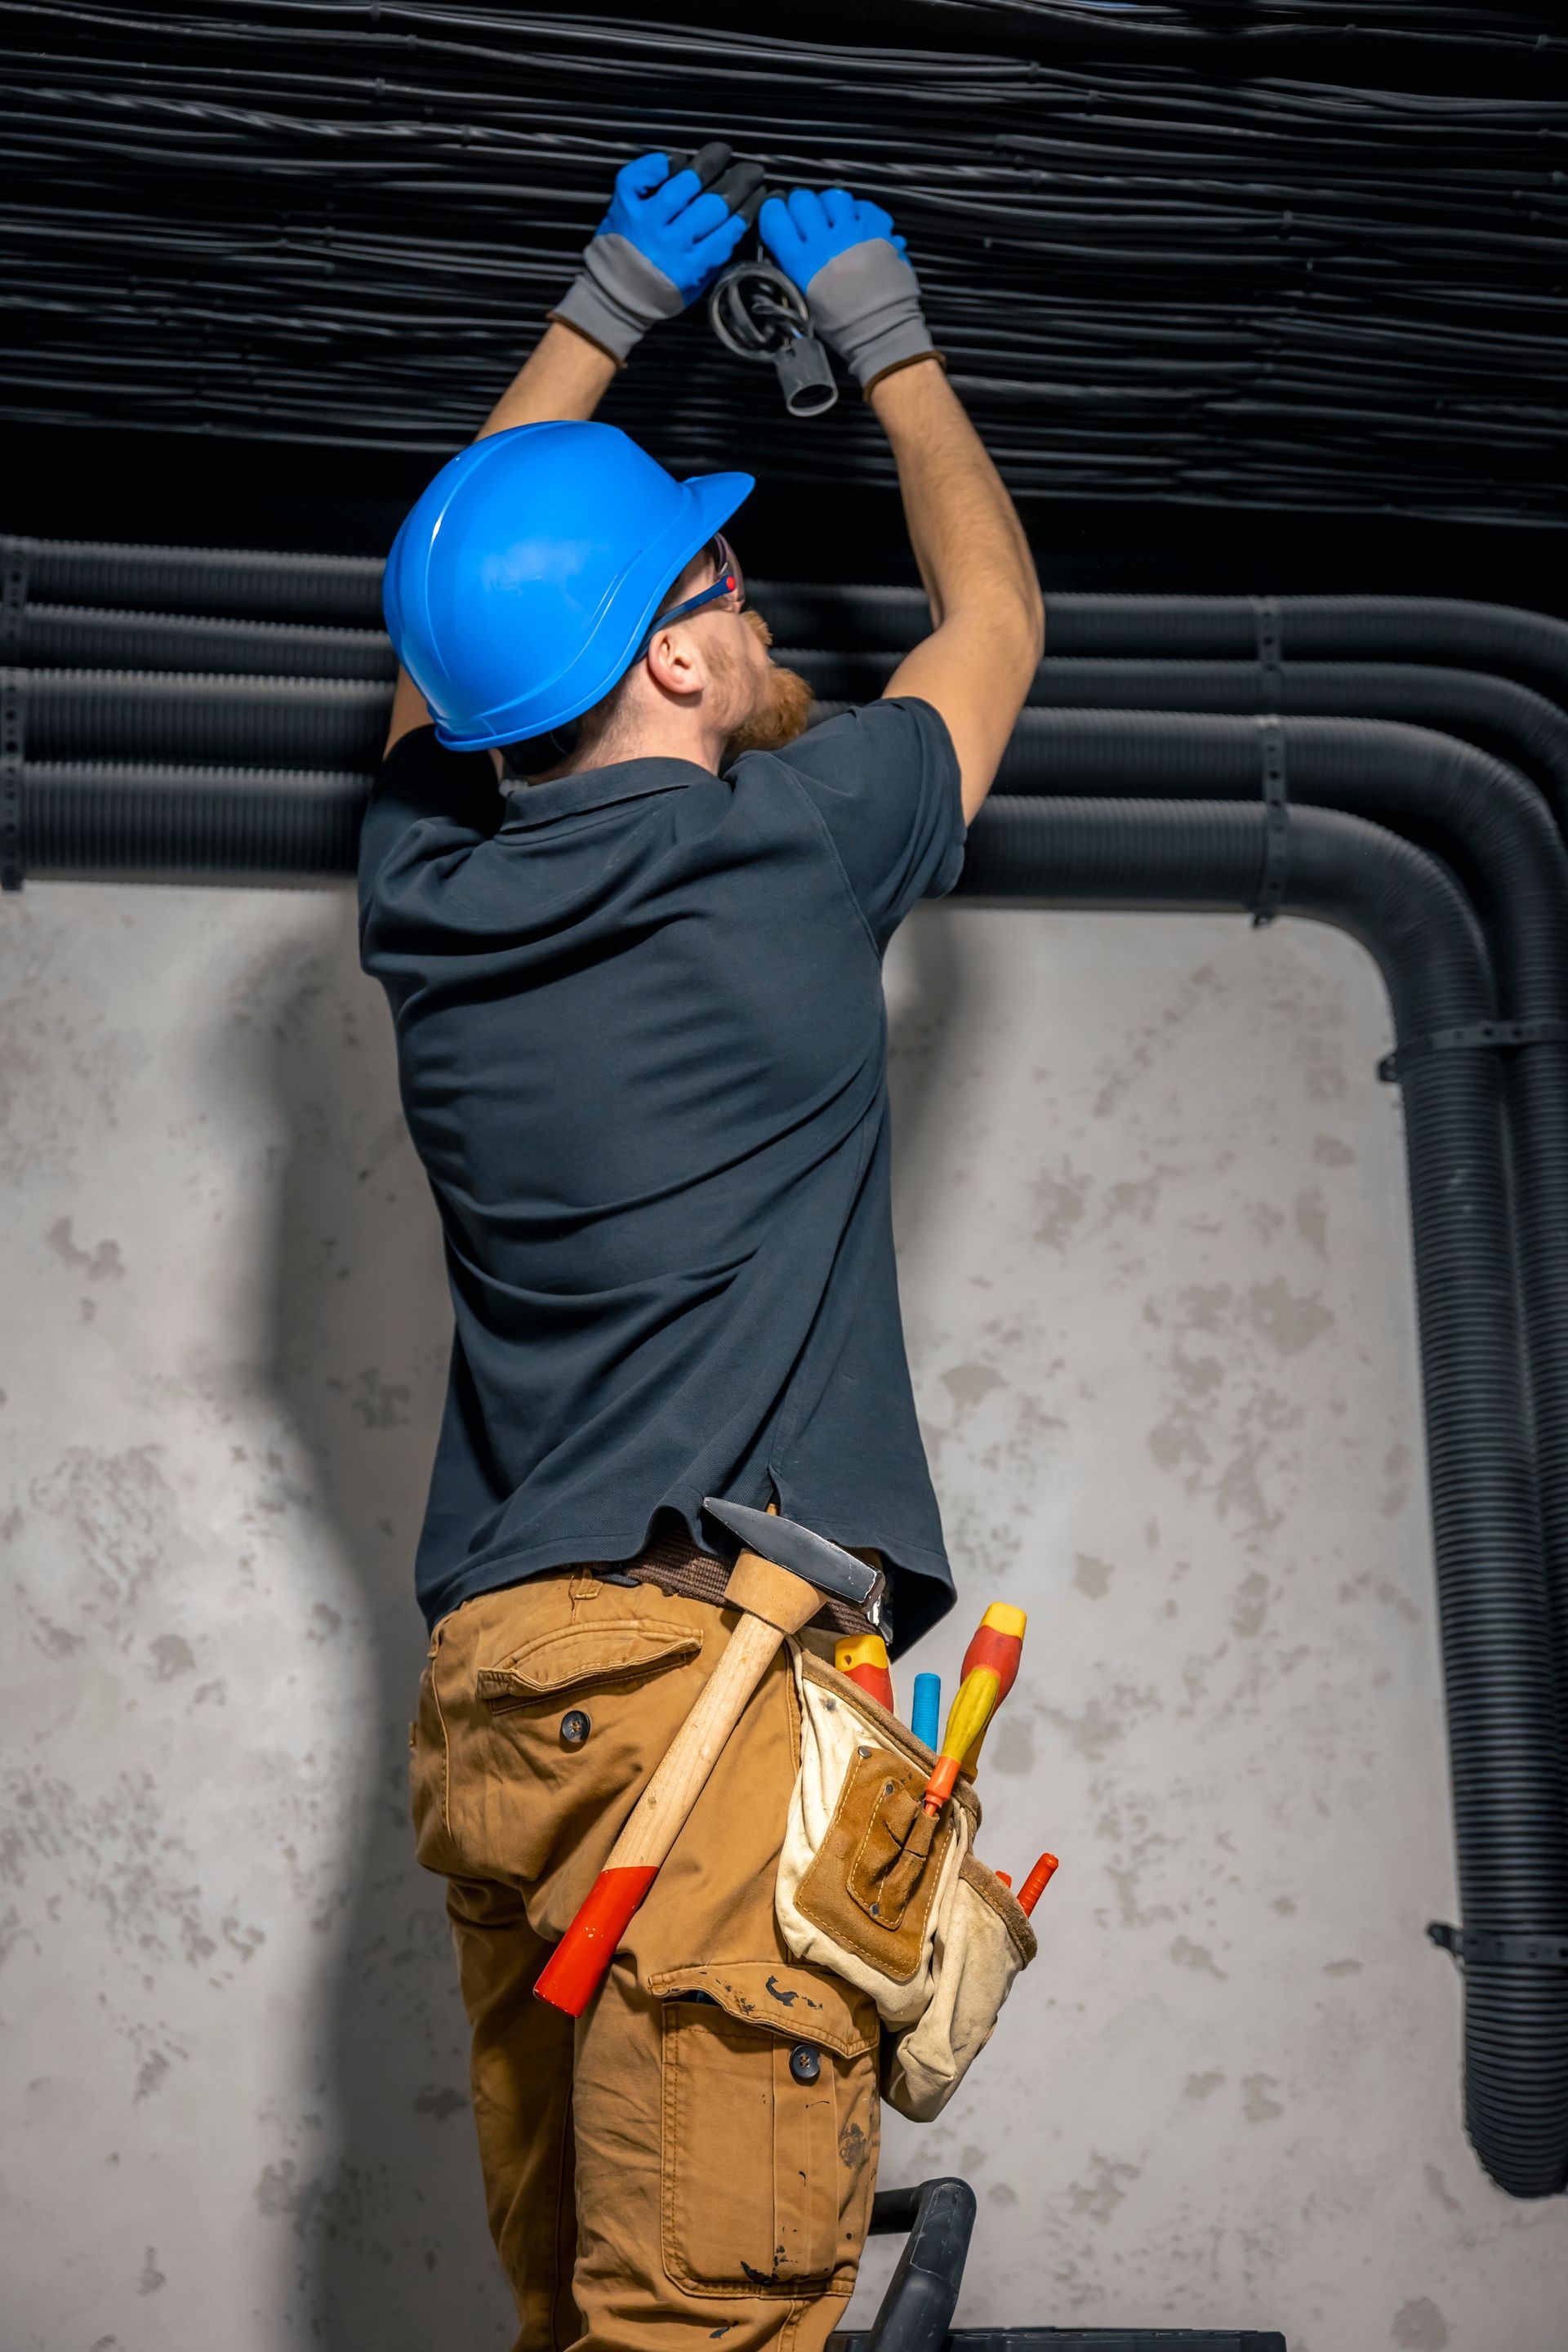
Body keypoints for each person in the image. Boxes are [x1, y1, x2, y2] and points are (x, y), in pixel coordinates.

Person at [359, 142, 1042, 2352]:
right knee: (706, 2332)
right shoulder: (788, 852)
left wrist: (593, 310)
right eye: (723, 586)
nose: (753, 610)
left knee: (581, 2315)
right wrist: (892, 343)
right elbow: (996, 626)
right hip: (706, 1705)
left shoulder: (428, 909)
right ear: (667, 653)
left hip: (504, 1712)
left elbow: (432, 671)